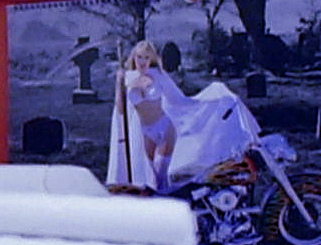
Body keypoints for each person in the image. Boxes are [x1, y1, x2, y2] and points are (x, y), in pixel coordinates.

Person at [108, 39, 259, 194]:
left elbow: (179, 100)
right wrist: (119, 84)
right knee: (145, 180)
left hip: (164, 129)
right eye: (139, 57)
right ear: (134, 58)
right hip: (144, 133)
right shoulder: (127, 79)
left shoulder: (159, 75)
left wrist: (213, 102)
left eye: (147, 57)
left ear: (152, 59)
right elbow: (120, 110)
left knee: (160, 182)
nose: (142, 61)